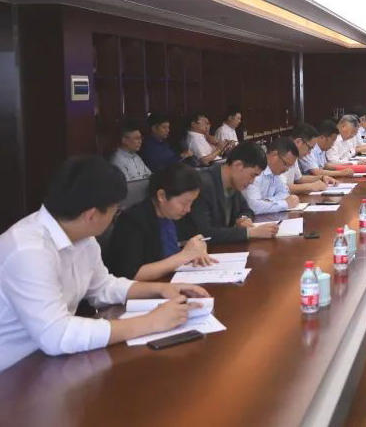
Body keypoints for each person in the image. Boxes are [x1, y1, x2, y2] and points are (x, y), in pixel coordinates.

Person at [0, 156, 209, 371]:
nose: (115, 217)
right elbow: (56, 335)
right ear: (92, 215)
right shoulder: (28, 251)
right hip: (15, 370)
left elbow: (103, 287)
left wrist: (160, 289)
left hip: (52, 361)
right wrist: (151, 322)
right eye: (115, 210)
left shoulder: (83, 237)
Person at [105, 163, 215, 280]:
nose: (188, 209)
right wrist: (184, 256)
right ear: (161, 196)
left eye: (191, 203)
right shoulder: (132, 221)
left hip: (175, 280)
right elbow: (131, 274)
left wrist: (200, 248)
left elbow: (195, 238)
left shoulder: (177, 214)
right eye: (184, 203)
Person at [178, 142, 279, 243]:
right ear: (238, 165)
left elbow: (247, 210)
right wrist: (250, 232)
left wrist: (244, 219)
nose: (252, 182)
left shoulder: (233, 183)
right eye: (253, 175)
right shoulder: (202, 184)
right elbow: (204, 234)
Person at [242, 138, 301, 215]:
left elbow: (285, 193)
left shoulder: (275, 172)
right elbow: (253, 207)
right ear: (274, 155)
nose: (287, 169)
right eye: (286, 164)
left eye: (290, 166)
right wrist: (285, 204)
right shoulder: (255, 170)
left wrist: (268, 201)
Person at [285, 123, 339, 195]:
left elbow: (299, 179)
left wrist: (322, 178)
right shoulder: (282, 155)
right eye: (309, 148)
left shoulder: (294, 155)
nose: (310, 152)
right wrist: (310, 186)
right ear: (298, 142)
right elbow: (283, 187)